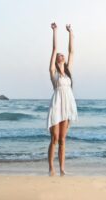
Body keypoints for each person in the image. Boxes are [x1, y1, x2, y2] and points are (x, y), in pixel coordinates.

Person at [46, 22, 79, 177]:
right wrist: (55, 31)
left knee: (63, 140)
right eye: (60, 55)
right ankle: (51, 168)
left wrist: (70, 32)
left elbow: (72, 51)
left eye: (62, 55)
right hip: (56, 105)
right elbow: (53, 49)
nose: (62, 55)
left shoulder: (68, 71)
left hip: (67, 106)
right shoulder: (54, 72)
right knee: (55, 138)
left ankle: (62, 169)